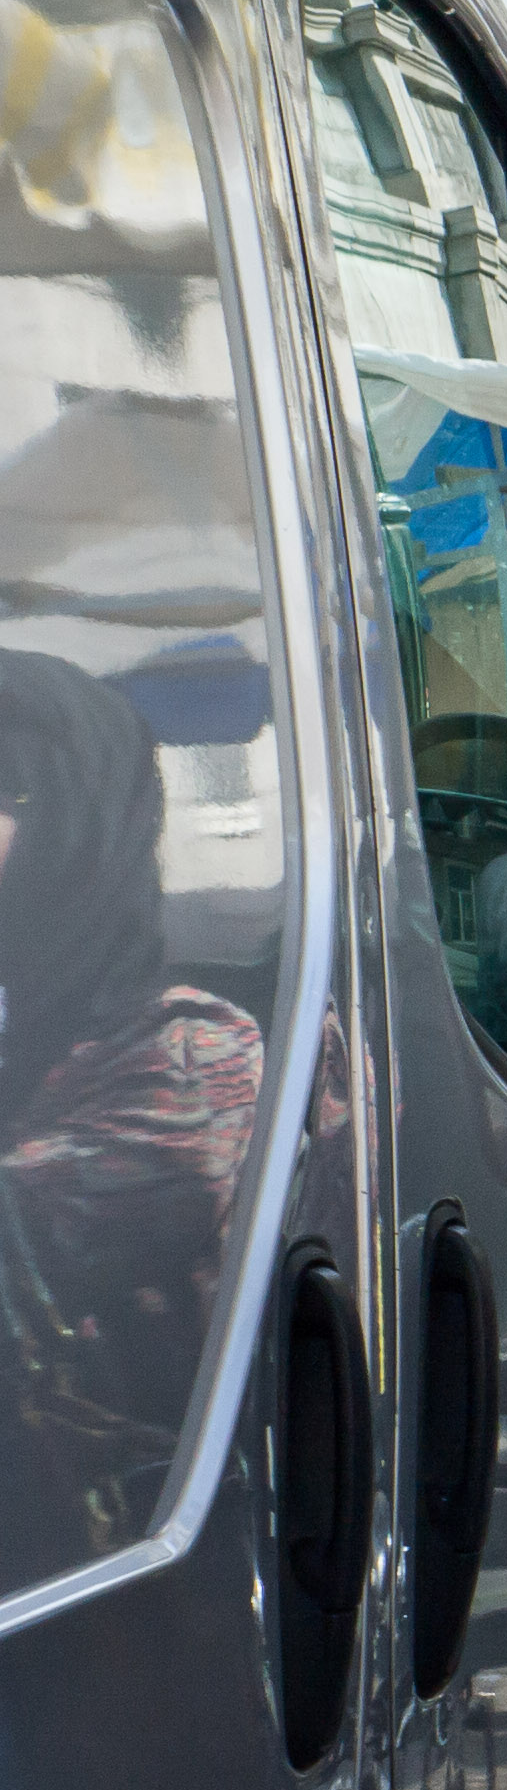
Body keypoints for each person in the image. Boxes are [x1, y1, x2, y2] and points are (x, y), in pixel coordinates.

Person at [0, 651, 265, 1569]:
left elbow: (26, 1226)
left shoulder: (191, 1061)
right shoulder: (18, 1037)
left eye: (9, 798)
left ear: (79, 826)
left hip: (125, 1595)